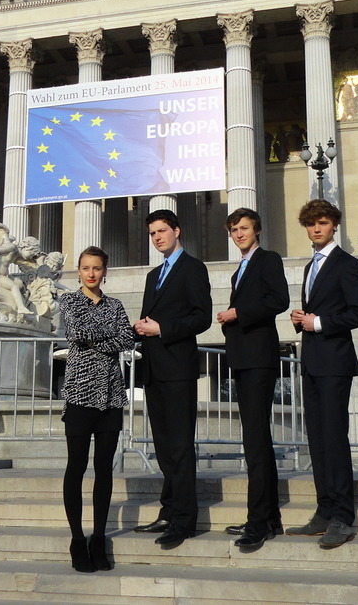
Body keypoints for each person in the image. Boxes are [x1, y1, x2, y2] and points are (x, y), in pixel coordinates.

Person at [287, 199, 358, 549]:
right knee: (317, 439)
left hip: (336, 362)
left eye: (322, 223)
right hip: (313, 361)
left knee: (335, 439)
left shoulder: (347, 264)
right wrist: (302, 319)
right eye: (310, 224)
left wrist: (317, 322)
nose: (316, 229)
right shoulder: (310, 267)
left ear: (334, 225)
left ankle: (343, 517)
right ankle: (324, 511)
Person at [132, 209, 212, 548]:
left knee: (179, 446)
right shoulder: (153, 275)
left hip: (178, 369)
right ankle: (168, 509)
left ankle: (184, 520)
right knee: (164, 447)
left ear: (177, 231)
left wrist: (162, 329)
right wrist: (141, 327)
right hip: (154, 369)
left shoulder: (193, 268)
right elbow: (151, 317)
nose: (157, 237)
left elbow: (202, 317)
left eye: (162, 231)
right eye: (152, 233)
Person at [59, 246, 136, 573]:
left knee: (104, 470)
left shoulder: (115, 305)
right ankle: (78, 539)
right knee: (76, 467)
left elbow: (128, 339)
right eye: (86, 268)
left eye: (97, 268)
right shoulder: (69, 301)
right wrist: (108, 336)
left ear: (105, 271)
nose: (91, 273)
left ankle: (99, 538)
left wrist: (97, 339)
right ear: (78, 271)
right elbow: (76, 332)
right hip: (79, 393)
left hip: (110, 395)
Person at [217, 208, 290, 551]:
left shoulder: (268, 260)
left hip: (259, 358)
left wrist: (237, 314)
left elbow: (279, 300)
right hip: (244, 359)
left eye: (243, 228)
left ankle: (258, 521)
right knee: (254, 439)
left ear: (257, 230)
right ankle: (268, 515)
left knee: (257, 440)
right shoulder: (240, 270)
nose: (238, 234)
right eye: (233, 230)